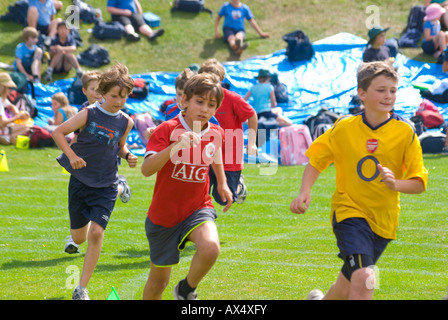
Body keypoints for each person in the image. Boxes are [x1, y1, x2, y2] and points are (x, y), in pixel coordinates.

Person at [290, 61, 428, 300]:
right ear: (361, 93)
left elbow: (419, 183)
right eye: (381, 89)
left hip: (384, 221)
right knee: (365, 277)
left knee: (348, 283)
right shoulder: (344, 127)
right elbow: (316, 160)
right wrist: (305, 191)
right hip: (349, 213)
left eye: (393, 90)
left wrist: (395, 184)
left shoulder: (405, 131)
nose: (389, 96)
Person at [141, 72, 232, 300]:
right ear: (184, 101)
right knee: (157, 284)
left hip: (197, 207)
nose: (204, 109)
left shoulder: (216, 132)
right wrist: (175, 146)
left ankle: (185, 289)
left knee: (211, 247)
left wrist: (222, 183)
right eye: (199, 102)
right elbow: (146, 169)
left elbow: (215, 153)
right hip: (164, 216)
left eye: (211, 105)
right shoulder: (167, 129)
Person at [52, 63, 138, 300]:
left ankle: (81, 288)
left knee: (97, 234)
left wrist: (128, 155)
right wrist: (72, 156)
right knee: (79, 237)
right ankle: (118, 190)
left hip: (106, 184)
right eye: (114, 96)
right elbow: (58, 132)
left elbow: (119, 148)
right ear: (102, 93)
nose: (119, 101)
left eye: (124, 96)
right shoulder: (89, 113)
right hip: (80, 181)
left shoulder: (126, 122)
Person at [198, 58, 258, 205]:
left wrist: (251, 143)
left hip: (230, 152)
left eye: (215, 80)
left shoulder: (231, 98)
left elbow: (252, 115)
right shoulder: (197, 99)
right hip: (206, 151)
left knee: (224, 199)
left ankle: (239, 186)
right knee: (199, 190)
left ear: (221, 80)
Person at [0, 73, 31, 145]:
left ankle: (7, 137)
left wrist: (18, 113)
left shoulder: (2, 99)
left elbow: (11, 106)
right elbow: (1, 123)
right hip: (2, 128)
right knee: (28, 128)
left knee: (26, 128)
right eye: (9, 88)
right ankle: (8, 137)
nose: (10, 90)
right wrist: (18, 117)